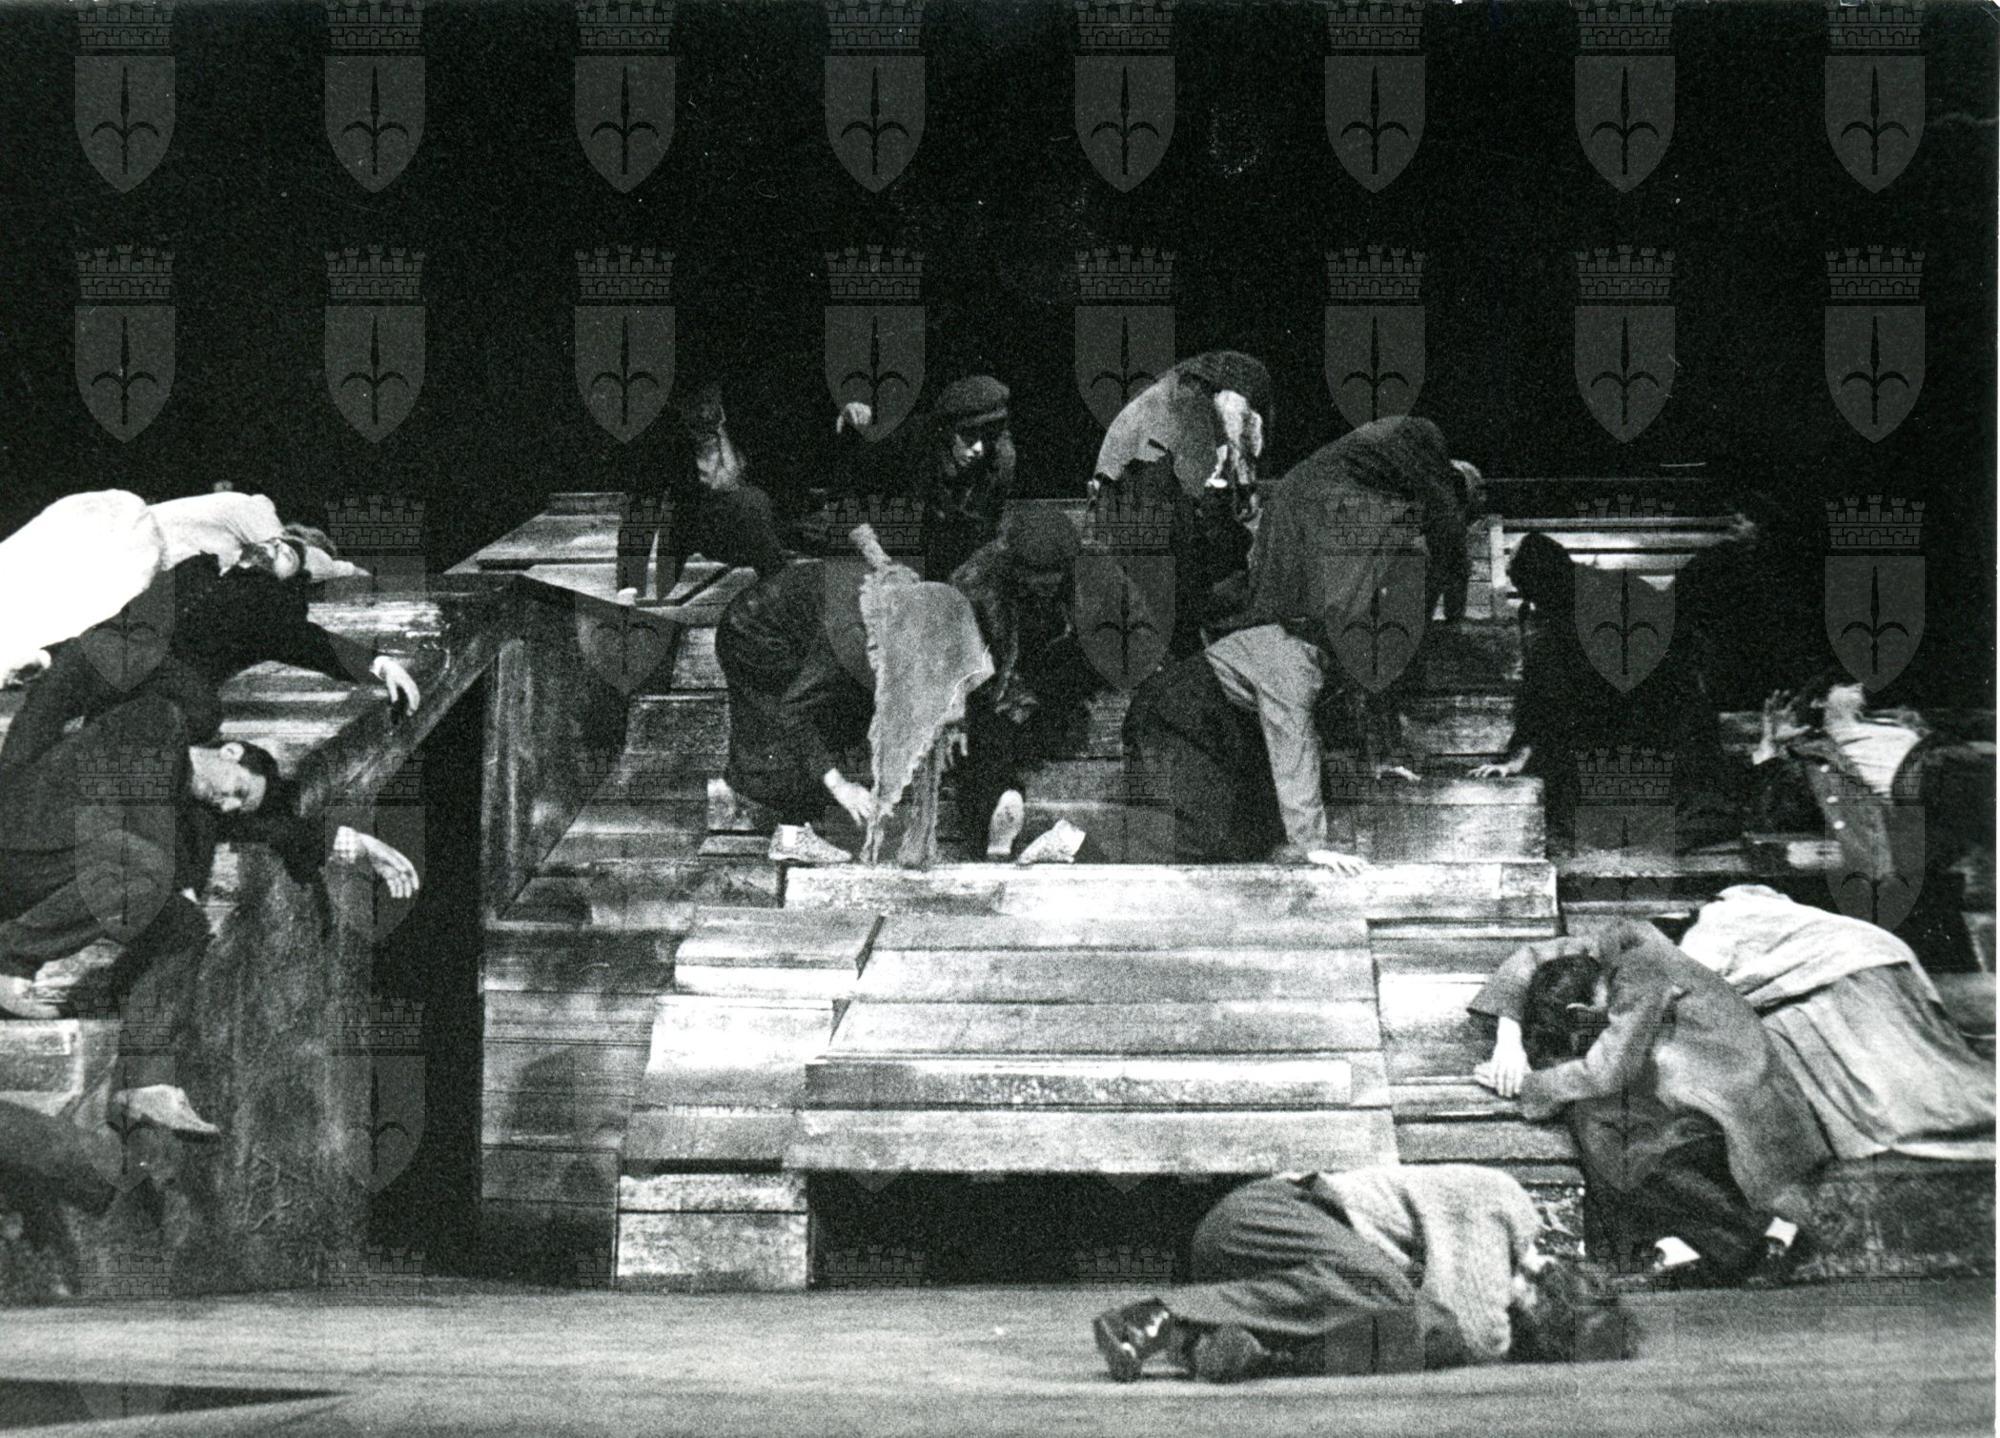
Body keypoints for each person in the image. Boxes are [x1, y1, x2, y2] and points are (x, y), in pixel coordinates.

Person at [0, 679, 419, 1028]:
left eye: (237, 804)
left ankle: (138, 1059)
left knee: (186, 923)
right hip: (20, 847)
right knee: (149, 868)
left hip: (57, 881)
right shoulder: (157, 721)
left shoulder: (195, 807)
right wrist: (177, 877)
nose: (229, 805)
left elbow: (277, 830)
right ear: (230, 752)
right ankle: (10, 962)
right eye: (239, 790)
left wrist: (357, 844)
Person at [1472, 920, 1830, 1285]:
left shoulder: (1638, 970)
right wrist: (1508, 1037)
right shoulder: (1613, 952)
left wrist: (1531, 1085)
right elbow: (1528, 956)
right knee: (1601, 1131)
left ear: (1580, 1007)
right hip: (1708, 1090)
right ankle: (1690, 1249)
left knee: (1621, 1146)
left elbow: (1608, 1071)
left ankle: (1758, 1237)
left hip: (1738, 1108)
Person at [1090, 1163, 1628, 1383]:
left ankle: (1208, 1343)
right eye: (1530, 1302)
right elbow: (1481, 1333)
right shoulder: (1505, 1203)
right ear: (1547, 1273)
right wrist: (1501, 1310)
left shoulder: (1500, 1270)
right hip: (1259, 1219)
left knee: (1425, 1332)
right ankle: (1153, 1317)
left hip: (1261, 1278)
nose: (1511, 1305)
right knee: (1395, 1295)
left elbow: (1446, 1324)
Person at [5, 523, 422, 746]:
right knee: (62, 694)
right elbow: (123, 621)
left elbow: (312, 642)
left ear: (291, 580)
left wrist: (380, 664)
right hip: (116, 663)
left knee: (184, 714)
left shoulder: (272, 606)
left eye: (289, 556)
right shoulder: (194, 569)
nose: (277, 547)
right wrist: (47, 656)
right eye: (278, 542)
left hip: (165, 690)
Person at [1678, 885, 1995, 1162]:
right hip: (1878, 956)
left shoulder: (1714, 921)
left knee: (1885, 1077)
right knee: (1921, 1056)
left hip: (1843, 970)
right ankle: (1964, 1107)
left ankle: (1941, 1117)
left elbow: (1689, 982)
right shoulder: (1776, 911)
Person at [1472, 531, 1738, 851]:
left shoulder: (1556, 630)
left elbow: (1546, 701)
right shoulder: (1616, 589)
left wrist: (1520, 756)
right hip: (1662, 730)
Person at [1748, 670, 1994, 965]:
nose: (1859, 686)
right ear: (1817, 701)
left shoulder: (1902, 728)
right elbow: (1776, 814)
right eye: (1845, 683)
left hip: (1941, 798)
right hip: (1902, 823)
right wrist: (1770, 747)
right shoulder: (1811, 752)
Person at [0, 490, 287, 688]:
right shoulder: (254, 511)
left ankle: (30, 654)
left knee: (57, 591)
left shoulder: (234, 540)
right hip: (133, 542)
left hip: (133, 548)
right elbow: (280, 553)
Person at [1091, 351, 1272, 659]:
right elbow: (1239, 428)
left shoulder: (1182, 396)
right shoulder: (1190, 409)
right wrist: (1245, 486)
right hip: (1144, 499)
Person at [948, 507, 1099, 858]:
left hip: (1051, 675)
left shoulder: (1089, 578)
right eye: (1035, 575)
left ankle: (1010, 813)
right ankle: (996, 823)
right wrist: (956, 712)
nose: (1045, 583)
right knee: (983, 743)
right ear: (1015, 567)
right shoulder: (975, 585)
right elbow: (953, 655)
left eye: (1054, 575)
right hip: (988, 681)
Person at [803, 376, 1020, 581]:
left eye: (988, 437)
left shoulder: (1000, 459)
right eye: (969, 437)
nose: (979, 449)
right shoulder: (907, 441)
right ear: (948, 431)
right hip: (873, 526)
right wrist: (874, 554)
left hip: (931, 544)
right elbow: (843, 491)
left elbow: (982, 531)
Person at [614, 382, 788, 604]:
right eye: (693, 405)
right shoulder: (665, 439)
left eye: (708, 402)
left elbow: (776, 476)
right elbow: (643, 502)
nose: (703, 412)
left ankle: (779, 583)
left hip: (754, 522)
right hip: (699, 525)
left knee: (754, 501)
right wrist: (628, 586)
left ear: (719, 397)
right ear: (678, 407)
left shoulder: (747, 421)